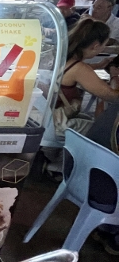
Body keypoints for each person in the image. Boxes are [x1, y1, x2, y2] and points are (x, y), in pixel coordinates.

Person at [47, 18, 119, 160]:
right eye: (103, 46)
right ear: (95, 45)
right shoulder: (80, 69)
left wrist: (98, 65)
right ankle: (71, 163)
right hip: (58, 123)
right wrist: (115, 77)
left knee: (89, 118)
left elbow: (70, 73)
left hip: (49, 118)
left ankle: (54, 158)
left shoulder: (63, 57)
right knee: (104, 129)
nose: (103, 49)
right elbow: (112, 96)